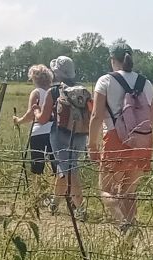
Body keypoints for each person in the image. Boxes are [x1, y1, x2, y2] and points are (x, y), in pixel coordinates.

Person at [89, 44, 153, 232]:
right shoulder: (146, 83)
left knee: (106, 190)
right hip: (143, 141)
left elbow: (96, 115)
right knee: (129, 191)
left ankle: (124, 226)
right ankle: (131, 228)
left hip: (115, 138)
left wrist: (92, 145)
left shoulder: (105, 81)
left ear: (113, 60)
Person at [40, 56, 90, 220]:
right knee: (66, 167)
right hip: (81, 135)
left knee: (69, 170)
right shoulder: (83, 90)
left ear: (57, 73)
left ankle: (80, 208)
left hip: (60, 134)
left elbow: (43, 118)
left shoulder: (53, 91)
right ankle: (54, 203)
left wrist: (34, 111)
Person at [11, 64, 61, 211]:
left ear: (34, 78)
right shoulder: (55, 92)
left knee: (37, 165)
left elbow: (31, 114)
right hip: (53, 131)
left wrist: (18, 120)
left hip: (38, 131)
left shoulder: (36, 93)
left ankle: (36, 196)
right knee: (55, 165)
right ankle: (55, 197)